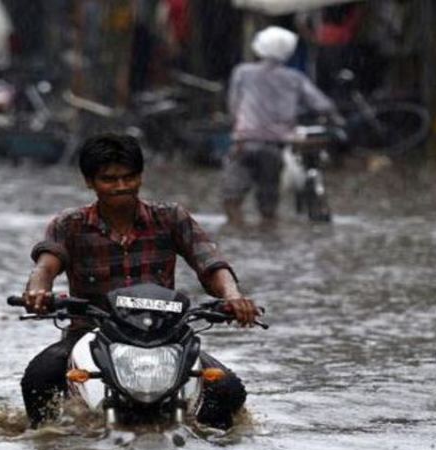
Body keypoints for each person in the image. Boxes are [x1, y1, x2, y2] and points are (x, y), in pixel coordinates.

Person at [20, 133, 260, 430]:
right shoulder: (69, 224)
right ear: (89, 182)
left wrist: (233, 296)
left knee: (228, 390)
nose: (121, 186)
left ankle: (210, 446)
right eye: (109, 179)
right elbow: (46, 265)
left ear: (141, 177)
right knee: (39, 377)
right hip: (89, 335)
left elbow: (210, 263)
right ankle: (46, 447)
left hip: (166, 337)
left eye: (129, 177)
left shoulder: (171, 217)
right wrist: (37, 291)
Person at [223, 26, 343, 228]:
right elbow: (323, 104)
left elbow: (233, 106)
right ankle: (268, 235)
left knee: (231, 199)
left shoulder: (242, 72)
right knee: (268, 205)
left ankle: (238, 233)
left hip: (244, 144)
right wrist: (335, 117)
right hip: (275, 148)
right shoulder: (294, 78)